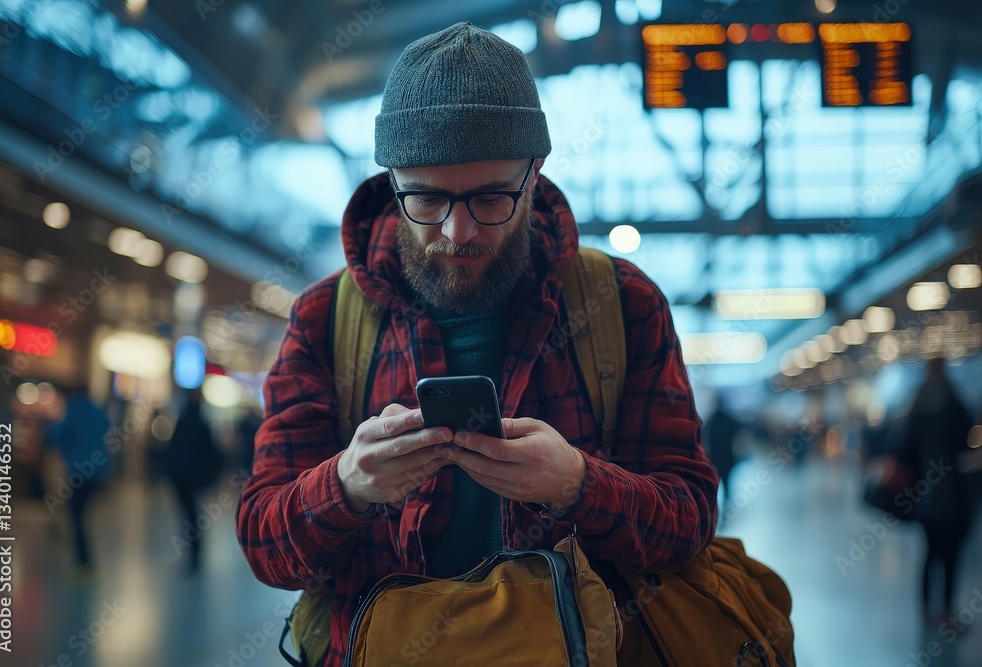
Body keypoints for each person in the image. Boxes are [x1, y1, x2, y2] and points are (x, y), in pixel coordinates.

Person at [236, 22, 718, 665]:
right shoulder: (325, 318)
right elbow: (265, 546)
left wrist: (579, 484)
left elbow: (688, 524)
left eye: (492, 197)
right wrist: (347, 486)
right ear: (391, 179)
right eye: (427, 198)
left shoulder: (623, 304)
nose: (457, 232)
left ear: (535, 172)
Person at [897, 358, 975, 625]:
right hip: (954, 493)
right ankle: (945, 611)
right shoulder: (954, 402)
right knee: (950, 554)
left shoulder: (918, 405)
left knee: (931, 554)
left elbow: (902, 446)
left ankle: (928, 610)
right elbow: (967, 437)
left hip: (927, 494)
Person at [45, 384, 111, 575]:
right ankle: (84, 560)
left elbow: (56, 437)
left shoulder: (72, 411)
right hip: (99, 471)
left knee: (76, 516)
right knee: (81, 514)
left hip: (79, 470)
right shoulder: (98, 412)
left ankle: (84, 562)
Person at [164, 391, 222, 573]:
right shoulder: (203, 425)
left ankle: (192, 555)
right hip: (194, 477)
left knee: (188, 515)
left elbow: (172, 449)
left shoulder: (182, 423)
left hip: (180, 477)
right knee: (192, 516)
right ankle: (195, 555)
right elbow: (210, 453)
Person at [703, 394, 745, 520]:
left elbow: (703, 434)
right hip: (728, 457)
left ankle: (715, 509)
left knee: (715, 484)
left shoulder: (712, 419)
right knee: (727, 483)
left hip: (716, 458)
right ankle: (726, 506)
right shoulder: (728, 418)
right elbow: (740, 431)